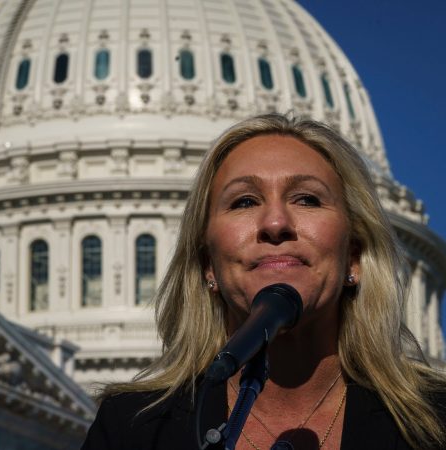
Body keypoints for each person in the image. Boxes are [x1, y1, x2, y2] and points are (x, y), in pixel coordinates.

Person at [81, 114, 446, 450]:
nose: (275, 223)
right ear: (209, 265)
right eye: (244, 202)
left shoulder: (435, 424)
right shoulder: (136, 430)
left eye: (307, 199)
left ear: (354, 256)